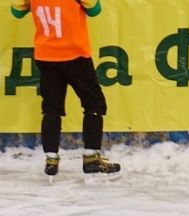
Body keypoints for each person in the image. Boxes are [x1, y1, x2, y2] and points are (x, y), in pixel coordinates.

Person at [11, 0, 121, 177]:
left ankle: (51, 159)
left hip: (46, 55)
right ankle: (91, 158)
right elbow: (95, 10)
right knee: (94, 103)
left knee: (51, 107)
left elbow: (16, 11)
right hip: (75, 55)